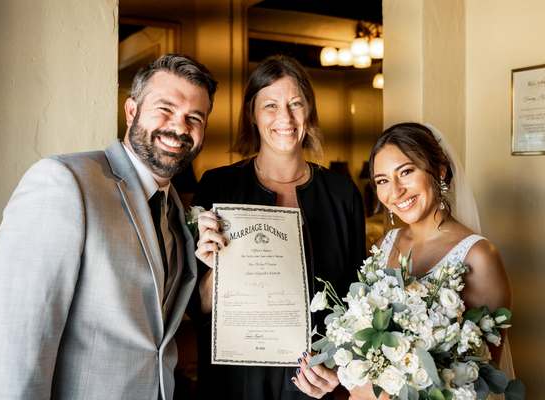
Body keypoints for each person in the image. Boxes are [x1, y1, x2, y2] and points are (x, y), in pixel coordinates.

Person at [0, 54, 218, 400]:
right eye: (165, 108)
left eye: (195, 117)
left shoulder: (176, 210)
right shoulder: (64, 182)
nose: (179, 127)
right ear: (132, 111)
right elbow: (13, 343)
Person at [190, 55, 367, 400]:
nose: (284, 118)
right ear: (252, 115)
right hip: (235, 380)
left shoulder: (343, 194)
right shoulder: (218, 187)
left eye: (295, 104)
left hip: (312, 380)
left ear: (309, 112)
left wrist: (339, 372)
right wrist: (216, 271)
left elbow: (355, 304)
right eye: (270, 105)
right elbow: (197, 306)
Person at [347, 122, 513, 400]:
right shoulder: (381, 247)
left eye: (406, 172)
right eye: (382, 180)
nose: (396, 192)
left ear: (440, 170)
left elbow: (480, 376)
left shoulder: (479, 257)